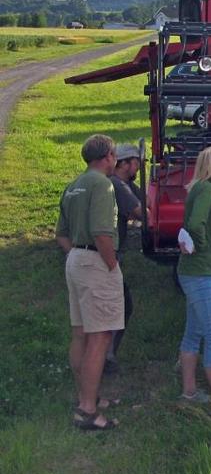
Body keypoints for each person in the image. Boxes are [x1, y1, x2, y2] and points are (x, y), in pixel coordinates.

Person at [56, 134, 123, 431]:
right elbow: (102, 232)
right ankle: (87, 410)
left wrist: (77, 256)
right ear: (107, 156)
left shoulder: (73, 186)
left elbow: (61, 233)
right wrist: (111, 264)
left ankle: (87, 395)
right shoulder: (102, 185)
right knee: (101, 336)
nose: (116, 160)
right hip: (96, 260)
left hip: (75, 260)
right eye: (114, 155)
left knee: (80, 333)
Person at [177, 146, 211, 413]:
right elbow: (197, 223)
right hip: (200, 271)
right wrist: (201, 244)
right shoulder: (208, 190)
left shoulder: (197, 187)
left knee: (194, 332)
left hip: (191, 270)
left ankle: (189, 391)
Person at [106, 143, 145, 374]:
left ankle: (107, 355)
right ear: (126, 163)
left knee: (120, 304)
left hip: (109, 255)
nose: (139, 166)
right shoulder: (118, 185)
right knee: (120, 305)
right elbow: (142, 211)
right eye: (137, 162)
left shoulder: (126, 184)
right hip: (109, 256)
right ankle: (106, 357)